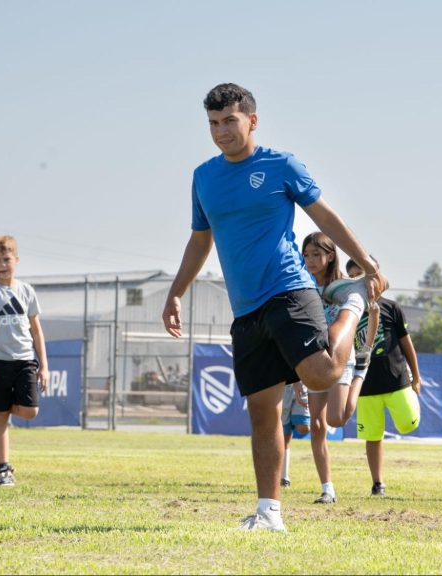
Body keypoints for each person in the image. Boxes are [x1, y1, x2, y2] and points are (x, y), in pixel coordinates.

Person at [162, 83, 387, 531]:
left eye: (229, 121)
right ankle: (269, 514)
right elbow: (200, 240)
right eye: (213, 123)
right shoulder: (203, 177)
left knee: (321, 374)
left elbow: (324, 215)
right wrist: (175, 292)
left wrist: (365, 265)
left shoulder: (280, 165)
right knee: (262, 413)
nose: (221, 131)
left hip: (288, 289)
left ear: (252, 120)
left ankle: (352, 304)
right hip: (246, 310)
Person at [300, 232, 379, 505]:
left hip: (342, 358)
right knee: (317, 425)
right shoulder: (303, 285)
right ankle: (327, 488)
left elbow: (379, 283)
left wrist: (369, 274)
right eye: (306, 255)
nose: (310, 260)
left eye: (316, 255)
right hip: (314, 357)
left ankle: (361, 371)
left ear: (330, 255)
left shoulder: (344, 287)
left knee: (337, 419)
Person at [0, 235, 49, 487]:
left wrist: (44, 367)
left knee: (30, 412)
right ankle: (3, 469)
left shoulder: (26, 291)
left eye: (7, 259)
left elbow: (36, 331)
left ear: (16, 260)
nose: (3, 264)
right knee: (2, 419)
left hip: (25, 360)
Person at [345, 258, 420, 497]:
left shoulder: (391, 307)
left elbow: (407, 343)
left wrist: (416, 376)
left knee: (409, 423)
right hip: (365, 385)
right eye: (355, 277)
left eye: (365, 275)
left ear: (376, 277)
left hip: (396, 379)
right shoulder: (347, 313)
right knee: (372, 435)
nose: (362, 282)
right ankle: (378, 483)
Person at [280, 381, 310, 489]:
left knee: (303, 427)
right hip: (283, 385)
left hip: (303, 384)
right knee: (284, 437)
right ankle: (284, 477)